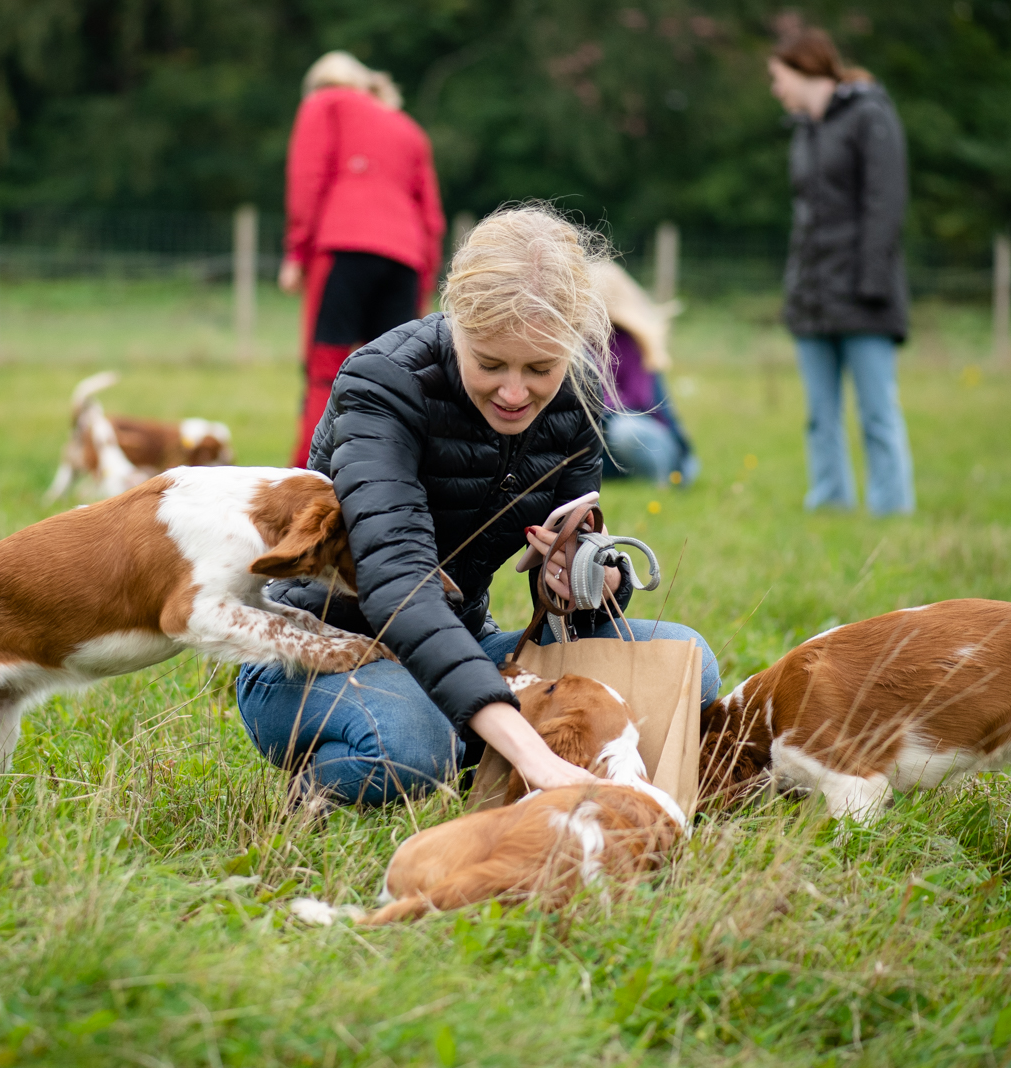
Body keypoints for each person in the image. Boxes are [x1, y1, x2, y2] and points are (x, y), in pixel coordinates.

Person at [237, 205, 722, 808]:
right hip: (314, 654)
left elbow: (582, 582)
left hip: (464, 646)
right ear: (456, 321)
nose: (515, 392)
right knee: (414, 742)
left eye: (540, 368)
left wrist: (586, 579)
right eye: (490, 364)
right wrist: (533, 753)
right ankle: (364, 773)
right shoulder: (383, 383)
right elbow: (396, 585)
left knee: (688, 663)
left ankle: (467, 744)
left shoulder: (577, 395)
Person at [769, 27, 915, 515]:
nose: (776, 90)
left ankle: (890, 507)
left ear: (804, 69)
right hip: (812, 297)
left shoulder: (871, 116)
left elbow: (885, 205)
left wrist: (869, 287)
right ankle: (830, 501)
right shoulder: (805, 131)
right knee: (819, 415)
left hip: (863, 296)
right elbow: (806, 221)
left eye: (778, 77)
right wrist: (798, 291)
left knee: (877, 413)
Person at [280, 50, 446, 467]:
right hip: (405, 258)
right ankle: (391, 471)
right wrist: (423, 282)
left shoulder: (324, 103)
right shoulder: (409, 129)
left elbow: (308, 177)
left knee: (326, 366)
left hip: (345, 247)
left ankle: (307, 473)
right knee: (396, 377)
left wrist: (296, 251)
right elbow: (431, 216)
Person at [592, 261, 699, 487]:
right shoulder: (578, 346)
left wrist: (596, 405)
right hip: (605, 435)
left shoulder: (634, 345)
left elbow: (639, 402)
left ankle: (663, 481)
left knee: (626, 431)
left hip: (645, 433)